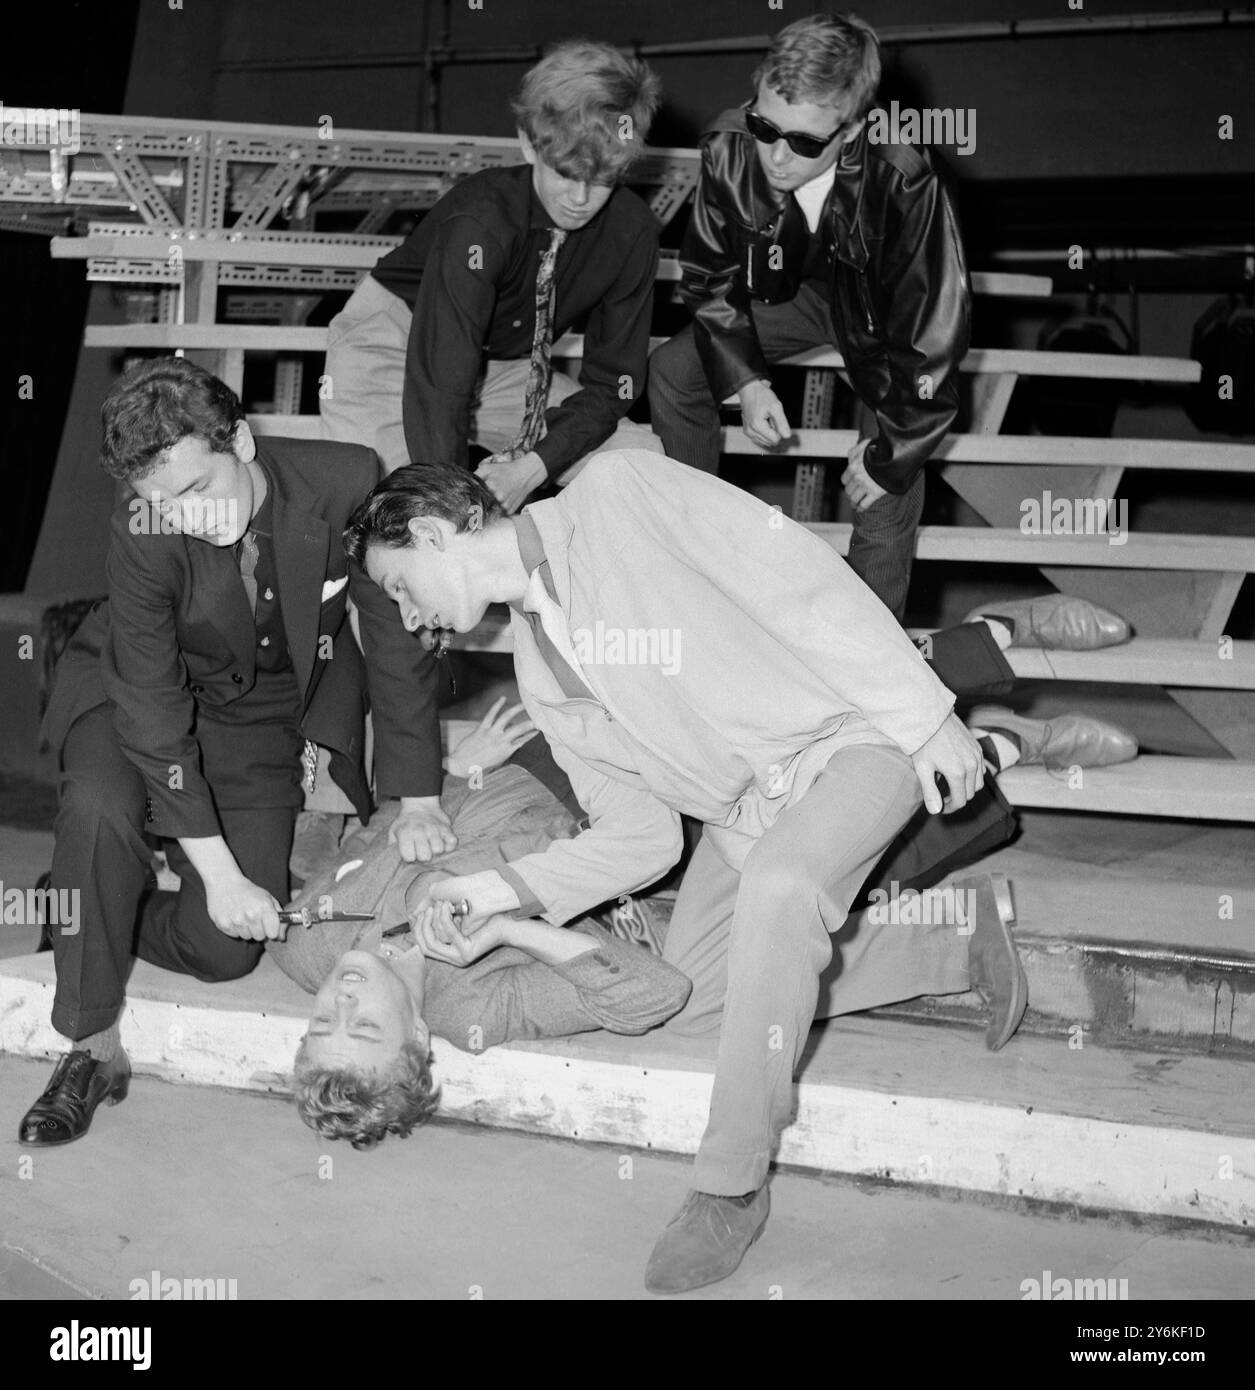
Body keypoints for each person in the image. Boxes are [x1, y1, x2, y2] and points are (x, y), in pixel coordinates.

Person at [342, 449, 1036, 1294]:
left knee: (782, 888)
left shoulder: (616, 492)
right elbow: (642, 839)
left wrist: (921, 717)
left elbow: (799, 580)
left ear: (431, 531)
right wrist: (492, 892)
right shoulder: (537, 671)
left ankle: (730, 1185)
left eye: (402, 587)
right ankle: (954, 939)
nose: (411, 619)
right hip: (747, 814)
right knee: (685, 996)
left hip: (853, 735)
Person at [18, 357, 442, 1149]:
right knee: (100, 805)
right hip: (133, 692)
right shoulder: (146, 525)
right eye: (159, 504)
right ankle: (87, 1049)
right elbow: (150, 704)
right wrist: (214, 872)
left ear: (241, 441)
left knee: (225, 952)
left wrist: (417, 795)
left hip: (259, 721)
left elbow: (393, 639)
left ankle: (78, 894)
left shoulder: (347, 480)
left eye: (196, 490)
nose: (184, 517)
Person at [648, 12, 967, 622]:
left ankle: (873, 663)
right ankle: (697, 561)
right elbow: (711, 279)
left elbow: (934, 325)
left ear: (850, 131)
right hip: (795, 295)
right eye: (766, 127)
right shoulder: (728, 146)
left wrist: (895, 454)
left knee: (891, 474)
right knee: (674, 367)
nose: (775, 156)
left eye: (804, 142)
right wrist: (746, 378)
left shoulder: (905, 178)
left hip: (883, 316)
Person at [267, 746, 693, 1150]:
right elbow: (656, 995)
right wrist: (511, 929)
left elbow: (369, 838)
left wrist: (455, 772)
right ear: (417, 1034)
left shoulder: (302, 943)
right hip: (612, 809)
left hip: (513, 763)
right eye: (363, 1026)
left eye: (323, 1020)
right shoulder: (472, 1009)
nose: (342, 1000)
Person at [320, 38, 665, 513]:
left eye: (602, 179)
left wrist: (532, 468)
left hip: (509, 365)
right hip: (396, 344)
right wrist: (453, 500)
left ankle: (565, 584)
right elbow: (442, 377)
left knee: (642, 464)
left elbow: (613, 385)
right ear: (528, 141)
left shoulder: (634, 232)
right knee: (404, 515)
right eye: (566, 172)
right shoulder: (482, 221)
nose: (580, 198)